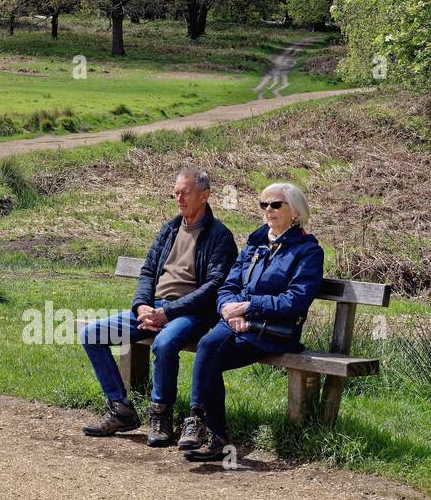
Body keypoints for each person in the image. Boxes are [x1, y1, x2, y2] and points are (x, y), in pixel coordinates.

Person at [79, 167, 238, 446]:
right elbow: (148, 272)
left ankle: (161, 415)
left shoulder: (220, 236)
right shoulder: (169, 229)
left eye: (184, 193)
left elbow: (213, 286)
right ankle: (121, 409)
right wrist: (141, 307)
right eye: (175, 192)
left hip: (190, 313)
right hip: (153, 308)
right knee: (92, 335)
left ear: (205, 195)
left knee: (163, 344)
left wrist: (168, 313)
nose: (178, 198)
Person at [180, 182, 324, 462]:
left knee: (208, 352)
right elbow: (227, 285)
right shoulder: (255, 243)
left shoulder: (308, 251)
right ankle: (209, 430)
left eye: (275, 204)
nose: (268, 210)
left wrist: (249, 307)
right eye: (264, 205)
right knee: (208, 349)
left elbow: (295, 300)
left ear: (295, 212)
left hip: (273, 331)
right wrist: (228, 313)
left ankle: (203, 425)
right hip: (238, 324)